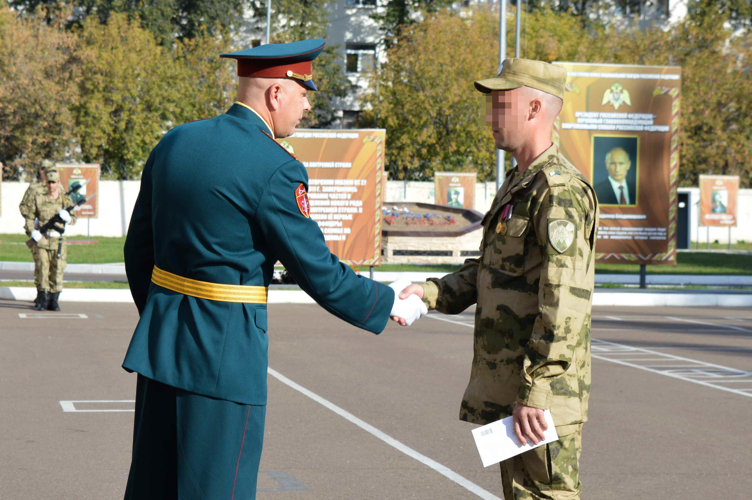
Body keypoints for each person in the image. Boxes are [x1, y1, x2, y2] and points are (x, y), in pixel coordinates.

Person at [121, 38, 425, 500]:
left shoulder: (175, 142)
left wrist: (165, 312)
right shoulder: (275, 167)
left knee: (153, 488)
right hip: (225, 358)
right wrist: (387, 303)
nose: (306, 108)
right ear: (276, 94)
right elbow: (317, 271)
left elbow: (138, 249)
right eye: (304, 94)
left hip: (160, 348)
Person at [400, 58, 599, 500]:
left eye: (500, 105)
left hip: (538, 397)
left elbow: (564, 301)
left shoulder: (558, 189)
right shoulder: (520, 184)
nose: (490, 118)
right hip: (516, 392)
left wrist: (540, 388)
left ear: (534, 110)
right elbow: (492, 269)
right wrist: (431, 293)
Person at [25, 168, 76, 311]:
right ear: (46, 183)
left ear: (59, 182)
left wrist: (68, 218)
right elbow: (29, 218)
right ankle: (42, 299)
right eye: (49, 182)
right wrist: (32, 232)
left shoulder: (65, 199)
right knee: (42, 269)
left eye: (54, 182)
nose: (52, 185)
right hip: (42, 240)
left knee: (58, 270)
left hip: (58, 241)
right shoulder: (38, 198)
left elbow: (74, 219)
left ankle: (54, 300)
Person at [19, 160, 53, 306]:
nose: (46, 173)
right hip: (39, 232)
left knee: (54, 266)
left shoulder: (59, 187)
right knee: (41, 264)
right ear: (40, 171)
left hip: (55, 234)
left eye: (49, 170)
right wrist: (33, 220)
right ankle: (41, 294)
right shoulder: (34, 188)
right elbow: (23, 207)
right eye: (43, 170)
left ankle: (52, 297)